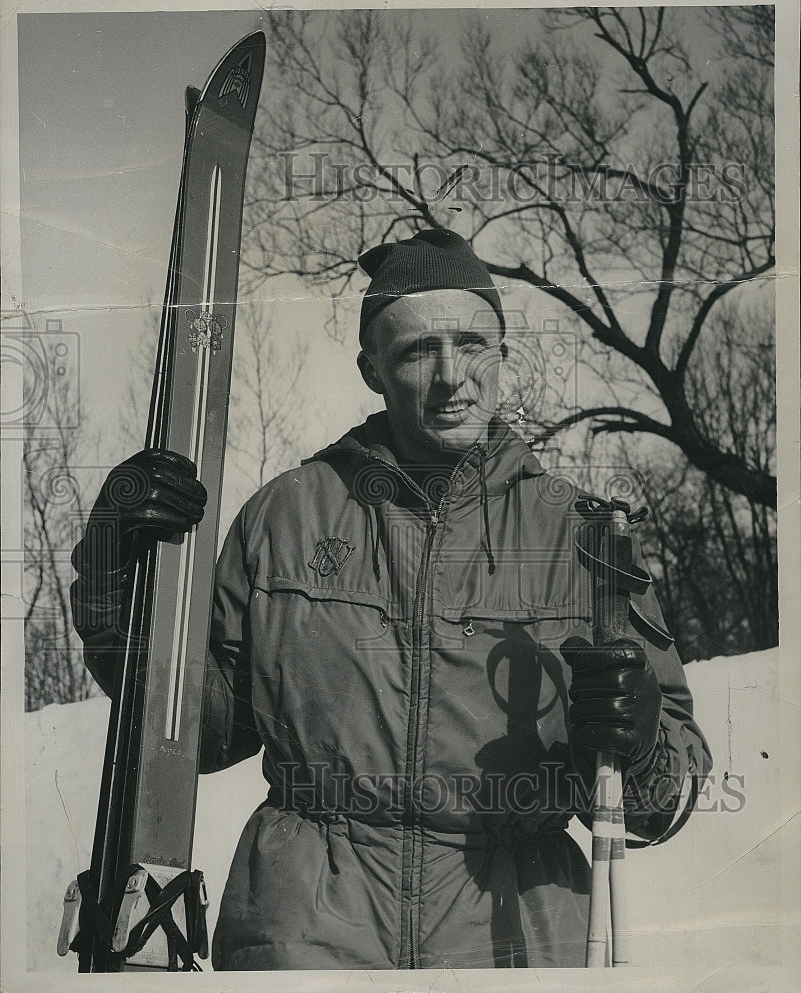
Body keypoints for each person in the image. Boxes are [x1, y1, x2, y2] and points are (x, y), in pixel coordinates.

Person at [71, 228, 711, 970]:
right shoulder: (286, 516)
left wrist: (638, 746)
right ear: (371, 368)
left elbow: (664, 802)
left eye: (472, 344)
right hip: (308, 933)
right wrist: (114, 581)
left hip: (520, 941)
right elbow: (198, 734)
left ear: (504, 354)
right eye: (415, 351)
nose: (450, 376)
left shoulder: (585, 539)